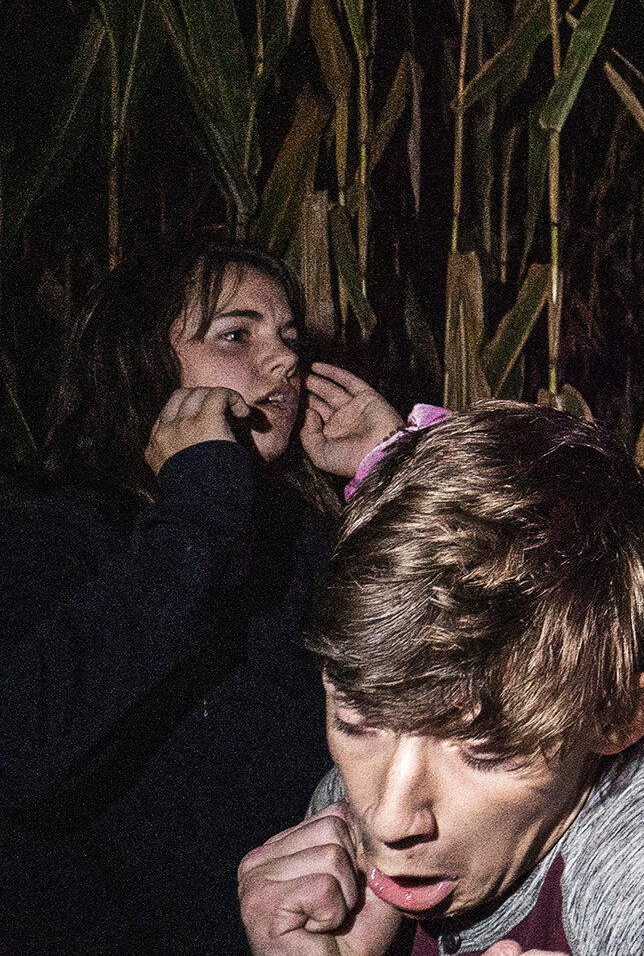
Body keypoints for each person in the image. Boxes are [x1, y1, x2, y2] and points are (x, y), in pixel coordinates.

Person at [237, 401, 644, 956]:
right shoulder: (354, 800)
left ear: (619, 714)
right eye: (358, 722)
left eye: (484, 748)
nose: (391, 819)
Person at [0, 235, 402, 954]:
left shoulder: (302, 541)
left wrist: (392, 474)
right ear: (140, 359)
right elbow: (26, 750)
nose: (283, 361)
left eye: (287, 337)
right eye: (236, 334)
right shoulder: (44, 532)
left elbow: (457, 686)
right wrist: (200, 496)